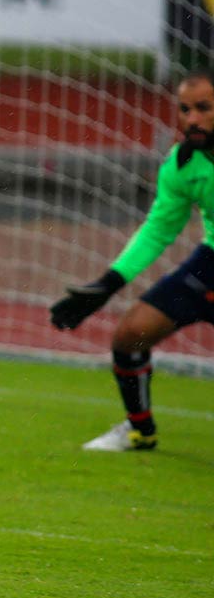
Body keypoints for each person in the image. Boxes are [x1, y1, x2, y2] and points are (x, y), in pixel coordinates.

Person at [50, 69, 214, 451]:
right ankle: (140, 430)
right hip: (210, 263)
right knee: (130, 334)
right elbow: (159, 229)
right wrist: (109, 283)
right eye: (185, 109)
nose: (192, 119)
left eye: (204, 108)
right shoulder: (181, 164)